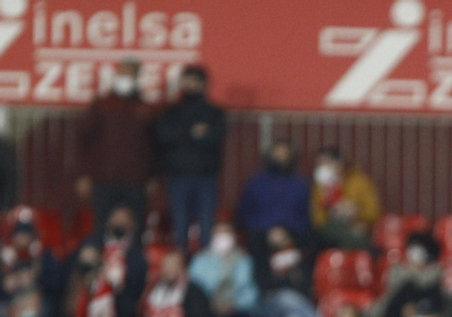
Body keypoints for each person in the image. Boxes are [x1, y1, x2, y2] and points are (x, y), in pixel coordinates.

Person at [77, 57, 156, 230]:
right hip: (103, 179)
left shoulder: (146, 107)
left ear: (137, 77)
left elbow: (154, 147)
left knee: (136, 229)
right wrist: (84, 174)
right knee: (100, 227)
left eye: (130, 73)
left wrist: (152, 177)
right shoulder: (101, 104)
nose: (125, 77)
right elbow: (83, 140)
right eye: (122, 72)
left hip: (136, 181)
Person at [155, 65, 226, 251]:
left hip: (206, 177)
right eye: (188, 80)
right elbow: (163, 136)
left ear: (205, 84)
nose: (191, 85)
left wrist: (181, 135)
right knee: (180, 228)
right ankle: (181, 271)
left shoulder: (215, 113)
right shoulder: (170, 112)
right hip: (178, 177)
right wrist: (192, 132)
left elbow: (215, 138)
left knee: (206, 228)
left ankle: (203, 272)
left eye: (196, 81)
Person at [236, 140, 313, 250]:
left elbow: (307, 216)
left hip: (294, 234)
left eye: (284, 154)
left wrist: (286, 232)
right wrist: (268, 230)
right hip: (261, 233)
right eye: (277, 154)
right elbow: (244, 213)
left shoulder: (301, 183)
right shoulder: (255, 182)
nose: (280, 157)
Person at [140, 251, 212, 317]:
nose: (169, 270)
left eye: (173, 265)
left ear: (182, 268)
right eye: (166, 266)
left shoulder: (194, 292)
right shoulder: (153, 291)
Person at [187, 221, 259, 317]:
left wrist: (234, 305)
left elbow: (252, 293)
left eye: (226, 233)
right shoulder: (200, 260)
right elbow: (195, 291)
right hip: (207, 311)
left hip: (237, 311)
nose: (222, 237)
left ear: (234, 236)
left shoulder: (245, 261)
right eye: (218, 233)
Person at [310, 147, 382, 250]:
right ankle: (369, 253)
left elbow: (373, 212)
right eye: (319, 165)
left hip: (359, 227)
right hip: (330, 229)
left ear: (339, 163)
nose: (322, 168)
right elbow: (318, 219)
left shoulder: (360, 182)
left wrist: (356, 212)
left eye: (326, 164)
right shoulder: (320, 186)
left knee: (353, 237)